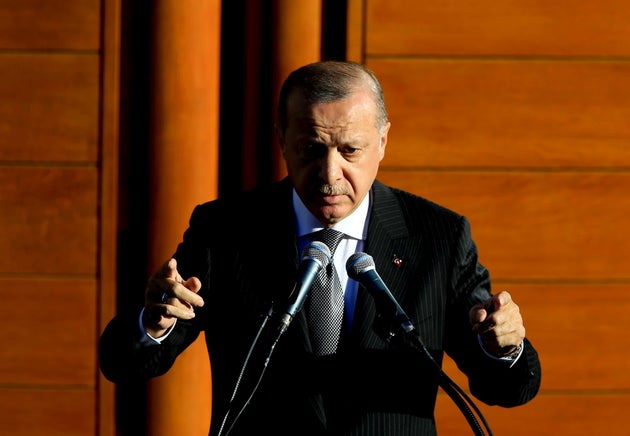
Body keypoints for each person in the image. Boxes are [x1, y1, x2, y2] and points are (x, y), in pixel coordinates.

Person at [99, 60, 541, 435]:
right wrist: (152, 324)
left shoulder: (439, 236)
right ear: (282, 140)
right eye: (311, 150)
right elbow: (122, 363)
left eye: (350, 151)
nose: (330, 174)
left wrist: (504, 348)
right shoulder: (226, 231)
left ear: (382, 142)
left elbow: (509, 388)